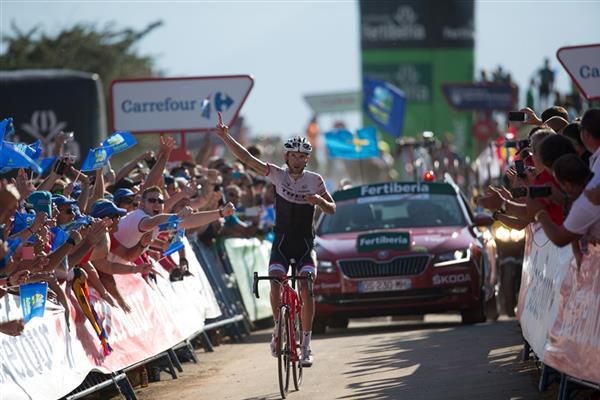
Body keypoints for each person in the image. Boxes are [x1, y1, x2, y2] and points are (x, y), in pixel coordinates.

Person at [214, 112, 336, 367]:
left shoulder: (315, 180)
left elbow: (332, 208)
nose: (298, 160)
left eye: (303, 156)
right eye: (294, 155)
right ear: (286, 157)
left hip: (304, 244)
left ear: (307, 159)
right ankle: (278, 328)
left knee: (307, 288)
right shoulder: (277, 174)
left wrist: (320, 201)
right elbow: (247, 159)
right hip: (280, 243)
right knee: (276, 284)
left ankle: (306, 344)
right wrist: (227, 138)